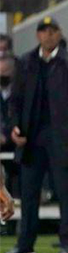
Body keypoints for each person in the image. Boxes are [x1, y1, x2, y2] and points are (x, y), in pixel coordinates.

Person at [3, 17, 68, 253]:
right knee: (29, 193)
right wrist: (14, 128)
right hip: (32, 137)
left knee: (66, 192)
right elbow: (15, 100)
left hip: (63, 137)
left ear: (59, 34)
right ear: (38, 35)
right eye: (44, 31)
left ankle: (67, 242)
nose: (48, 35)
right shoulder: (27, 62)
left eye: (52, 31)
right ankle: (25, 244)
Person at [0, 55, 17, 196]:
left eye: (5, 72)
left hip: (15, 137)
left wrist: (8, 135)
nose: (2, 76)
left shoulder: (19, 92)